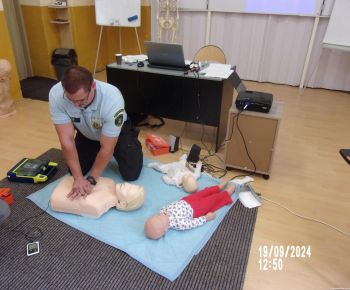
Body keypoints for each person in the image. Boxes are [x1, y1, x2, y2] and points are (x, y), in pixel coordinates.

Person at [49, 66, 143, 200]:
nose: (76, 105)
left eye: (81, 99)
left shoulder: (112, 98)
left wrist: (92, 180)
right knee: (73, 171)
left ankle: (132, 141)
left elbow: (107, 148)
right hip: (87, 131)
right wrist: (78, 178)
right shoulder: (56, 94)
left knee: (131, 174)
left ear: (93, 86)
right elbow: (66, 141)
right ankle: (94, 148)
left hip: (118, 133)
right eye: (71, 100)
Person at [144, 181, 236, 239]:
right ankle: (227, 193)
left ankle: (218, 187)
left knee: (204, 192)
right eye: (159, 219)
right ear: (165, 230)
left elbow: (164, 209)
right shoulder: (179, 224)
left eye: (157, 216)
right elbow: (193, 223)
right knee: (212, 200)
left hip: (187, 200)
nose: (160, 215)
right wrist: (206, 218)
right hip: (197, 209)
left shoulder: (162, 212)